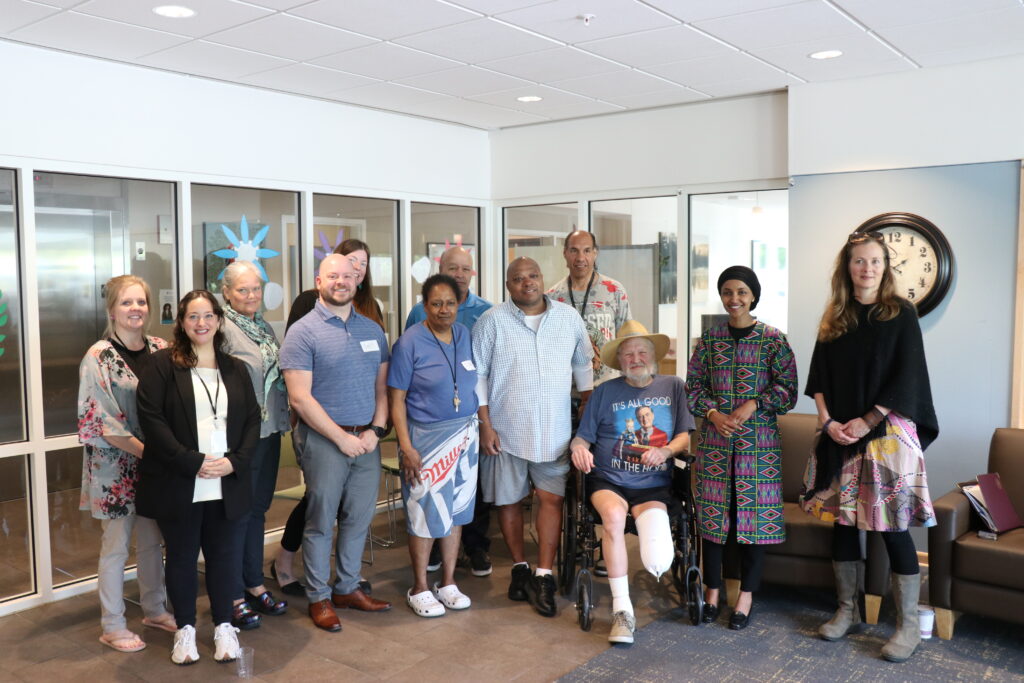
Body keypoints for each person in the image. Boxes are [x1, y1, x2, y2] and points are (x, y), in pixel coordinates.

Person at [801, 231, 938, 663]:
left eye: (875, 261)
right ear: (848, 267)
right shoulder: (834, 315)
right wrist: (828, 422)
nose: (867, 269)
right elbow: (818, 378)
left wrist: (867, 419)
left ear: (885, 266)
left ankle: (908, 626)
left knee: (893, 528)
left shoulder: (900, 314)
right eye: (859, 261)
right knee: (844, 525)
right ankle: (847, 611)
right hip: (839, 434)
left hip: (886, 436)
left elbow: (909, 376)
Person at [136, 290, 260, 665]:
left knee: (225, 556)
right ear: (182, 322)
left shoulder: (235, 368)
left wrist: (235, 461)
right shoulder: (161, 366)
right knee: (182, 557)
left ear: (219, 320)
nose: (201, 323)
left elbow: (253, 419)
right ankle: (185, 630)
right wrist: (191, 461)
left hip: (227, 479)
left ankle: (224, 625)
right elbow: (151, 419)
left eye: (208, 316)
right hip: (182, 479)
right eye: (193, 316)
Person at [473, 257, 593, 618]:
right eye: (518, 278)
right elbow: (478, 376)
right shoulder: (491, 321)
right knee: (508, 501)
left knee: (550, 500)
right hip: (505, 431)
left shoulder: (568, 318)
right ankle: (519, 568)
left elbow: (583, 366)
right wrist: (485, 424)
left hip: (555, 431)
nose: (527, 283)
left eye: (533, 276)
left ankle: (543, 574)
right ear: (508, 285)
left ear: (543, 279)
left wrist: (586, 413)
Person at [280, 254, 392, 633]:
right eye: (333, 276)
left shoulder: (373, 331)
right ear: (318, 281)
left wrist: (375, 431)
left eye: (347, 276)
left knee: (359, 519)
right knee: (320, 522)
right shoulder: (302, 331)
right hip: (325, 441)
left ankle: (346, 587)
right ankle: (319, 596)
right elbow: (300, 398)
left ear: (357, 282)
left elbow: (381, 389)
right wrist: (341, 438)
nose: (341, 282)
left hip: (365, 440)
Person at [685, 266, 797, 631]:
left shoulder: (773, 340)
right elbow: (693, 389)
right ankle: (713, 591)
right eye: (728, 292)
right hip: (716, 443)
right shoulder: (709, 341)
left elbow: (788, 391)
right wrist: (714, 414)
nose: (734, 299)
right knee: (713, 520)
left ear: (753, 296)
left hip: (758, 446)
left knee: (754, 520)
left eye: (742, 292)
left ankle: (746, 597)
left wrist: (754, 404)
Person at [570, 321, 694, 644]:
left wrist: (666, 450)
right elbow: (582, 439)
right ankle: (622, 611)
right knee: (612, 517)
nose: (635, 358)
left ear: (653, 356)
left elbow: (683, 437)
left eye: (641, 352)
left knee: (657, 555)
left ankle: (644, 570)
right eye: (628, 354)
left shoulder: (673, 387)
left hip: (653, 484)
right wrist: (578, 450)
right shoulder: (605, 392)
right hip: (609, 480)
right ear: (619, 361)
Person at [77, 275, 176, 653]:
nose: (135, 309)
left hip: (155, 466)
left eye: (141, 302)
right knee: (116, 547)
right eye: (127, 303)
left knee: (153, 542)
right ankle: (113, 624)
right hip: (115, 468)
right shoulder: (98, 356)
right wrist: (157, 454)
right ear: (112, 309)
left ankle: (154, 609)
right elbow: (102, 423)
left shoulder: (161, 348)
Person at [389, 274, 479, 617]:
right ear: (424, 306)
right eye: (436, 303)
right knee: (424, 512)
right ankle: (420, 586)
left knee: (456, 510)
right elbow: (396, 400)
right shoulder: (410, 342)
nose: (444, 310)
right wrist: (406, 447)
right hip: (426, 439)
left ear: (459, 305)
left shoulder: (464, 334)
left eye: (450, 303)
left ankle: (449, 581)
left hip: (465, 436)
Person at [405, 246, 493, 578]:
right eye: (452, 267)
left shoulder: (486, 313)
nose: (459, 273)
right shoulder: (417, 316)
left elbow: (484, 373)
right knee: (430, 496)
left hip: (469, 423)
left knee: (468, 492)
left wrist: (485, 423)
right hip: (428, 427)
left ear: (473, 273)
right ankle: (431, 562)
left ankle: (474, 547)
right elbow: (410, 366)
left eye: (465, 268)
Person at [220, 261, 290, 629]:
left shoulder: (262, 326)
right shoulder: (222, 329)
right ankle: (232, 593)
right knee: (238, 515)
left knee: (259, 510)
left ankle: (253, 582)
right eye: (243, 289)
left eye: (256, 288)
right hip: (242, 438)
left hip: (270, 430)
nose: (251, 295)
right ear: (227, 292)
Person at [547, 230, 631, 389]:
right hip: (567, 392)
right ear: (565, 253)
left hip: (609, 388)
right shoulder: (551, 298)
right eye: (574, 250)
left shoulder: (614, 290)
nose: (580, 258)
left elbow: (627, 339)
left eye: (586, 251)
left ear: (595, 253)